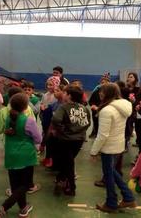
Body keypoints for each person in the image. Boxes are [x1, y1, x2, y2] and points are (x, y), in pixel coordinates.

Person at [0, 93, 41, 218]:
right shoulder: (28, 121)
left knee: (16, 185)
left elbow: (1, 129)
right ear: (26, 107)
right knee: (26, 185)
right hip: (26, 156)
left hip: (10, 155)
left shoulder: (8, 118)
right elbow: (38, 138)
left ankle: (23, 207)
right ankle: (4, 207)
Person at [90, 83, 136, 213]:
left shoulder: (107, 110)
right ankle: (128, 197)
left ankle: (111, 202)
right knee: (111, 172)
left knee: (109, 175)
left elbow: (103, 135)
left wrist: (94, 151)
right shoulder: (124, 105)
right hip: (118, 145)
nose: (100, 93)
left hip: (108, 148)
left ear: (107, 93)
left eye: (102, 91)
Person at [52, 86, 91, 196]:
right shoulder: (84, 108)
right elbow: (88, 123)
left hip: (66, 139)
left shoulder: (64, 107)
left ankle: (71, 186)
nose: (63, 94)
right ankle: (61, 179)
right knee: (68, 161)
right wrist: (80, 131)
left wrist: (63, 130)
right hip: (79, 140)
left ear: (69, 96)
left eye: (65, 93)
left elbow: (56, 119)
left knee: (68, 163)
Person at [88, 72, 111, 138]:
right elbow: (91, 101)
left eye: (105, 82)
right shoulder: (96, 91)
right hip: (95, 112)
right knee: (96, 125)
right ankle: (96, 134)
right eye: (102, 82)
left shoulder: (110, 93)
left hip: (106, 113)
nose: (103, 84)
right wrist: (93, 105)